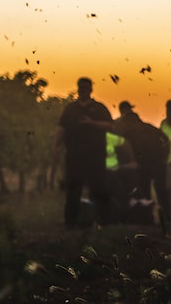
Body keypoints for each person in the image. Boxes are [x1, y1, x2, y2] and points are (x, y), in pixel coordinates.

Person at [57, 77, 113, 228]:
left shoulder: (99, 108)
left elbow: (109, 125)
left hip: (95, 155)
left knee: (98, 188)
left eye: (86, 88)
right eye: (81, 88)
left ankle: (102, 221)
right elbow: (61, 128)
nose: (83, 91)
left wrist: (92, 123)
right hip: (74, 155)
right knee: (73, 189)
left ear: (91, 89)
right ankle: (71, 222)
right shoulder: (70, 109)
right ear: (78, 89)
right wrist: (56, 145)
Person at [114, 102, 171, 231]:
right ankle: (148, 218)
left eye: (128, 124)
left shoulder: (149, 128)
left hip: (157, 163)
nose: (127, 126)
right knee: (144, 192)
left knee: (161, 191)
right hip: (141, 166)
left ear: (135, 122)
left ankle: (168, 217)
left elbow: (167, 140)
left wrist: (164, 157)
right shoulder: (128, 133)